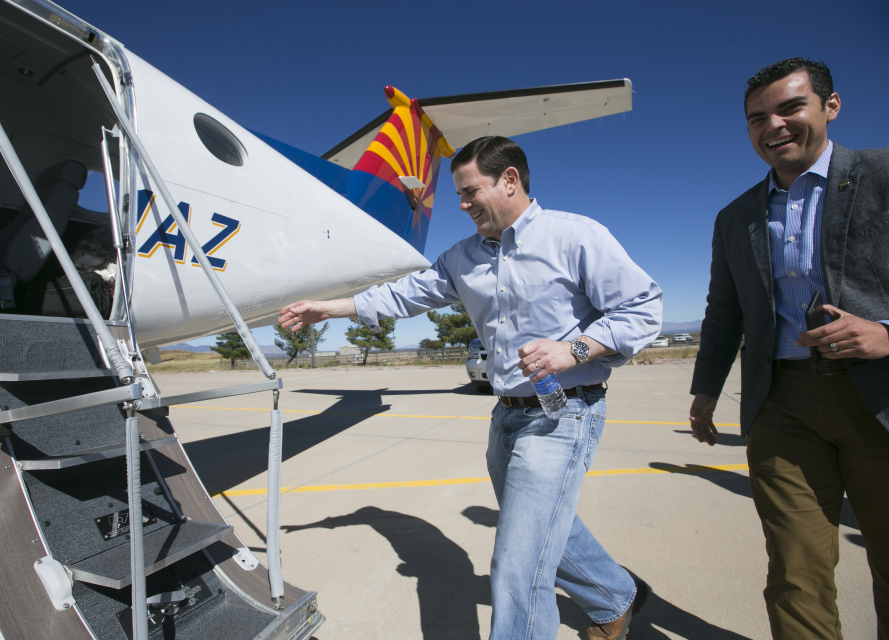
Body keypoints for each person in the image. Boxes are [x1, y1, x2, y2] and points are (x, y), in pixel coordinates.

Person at [280, 136, 662, 640]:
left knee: (517, 566)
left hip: (564, 414)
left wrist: (576, 350)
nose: (460, 205)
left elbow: (643, 309)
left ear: (510, 180)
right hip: (507, 416)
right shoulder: (461, 258)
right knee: (548, 527)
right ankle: (614, 596)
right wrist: (329, 307)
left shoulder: (575, 237)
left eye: (469, 192)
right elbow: (403, 295)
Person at [688, 58, 889, 639]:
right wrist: (705, 389)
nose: (772, 125)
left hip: (880, 396)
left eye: (789, 108)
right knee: (796, 574)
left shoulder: (880, 174)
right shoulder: (736, 217)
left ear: (830, 106)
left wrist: (885, 333)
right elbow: (723, 314)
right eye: (757, 118)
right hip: (782, 405)